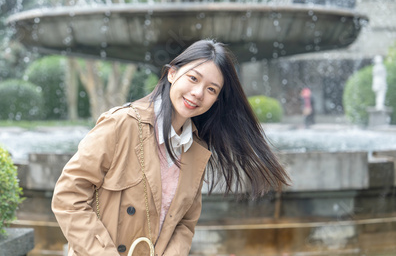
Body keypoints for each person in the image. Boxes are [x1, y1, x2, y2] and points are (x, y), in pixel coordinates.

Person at [52, 39, 290, 256]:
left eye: (211, 89)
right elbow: (68, 196)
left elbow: (185, 222)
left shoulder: (196, 150)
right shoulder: (122, 124)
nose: (198, 93)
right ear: (172, 73)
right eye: (193, 78)